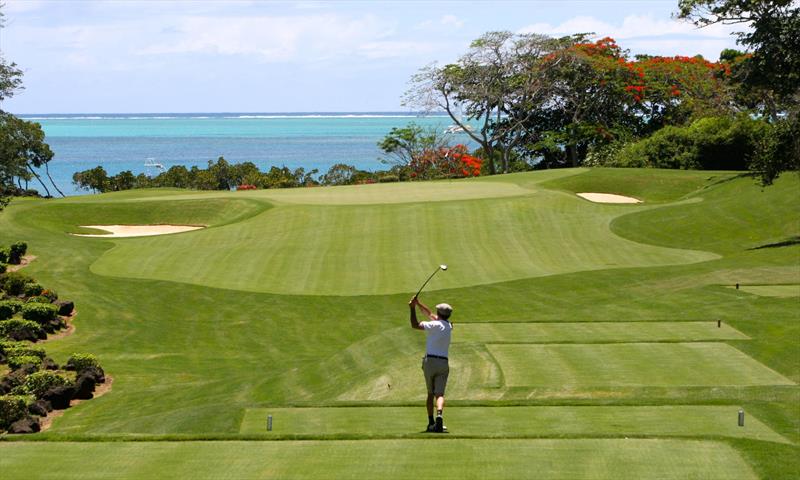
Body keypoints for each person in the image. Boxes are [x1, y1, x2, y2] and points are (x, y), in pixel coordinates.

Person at [409, 295, 453, 433]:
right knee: (439, 394)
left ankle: (431, 423)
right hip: (443, 363)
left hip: (430, 362)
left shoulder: (433, 325)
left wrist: (412, 309)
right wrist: (418, 303)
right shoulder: (449, 326)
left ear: (439, 313)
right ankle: (439, 415)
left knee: (430, 393)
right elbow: (430, 315)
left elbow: (414, 325)